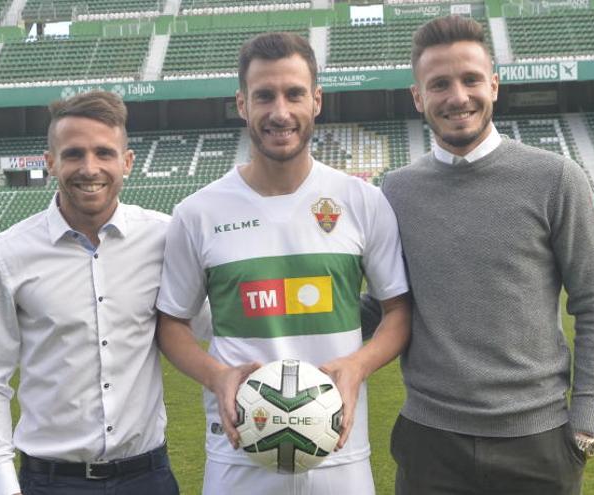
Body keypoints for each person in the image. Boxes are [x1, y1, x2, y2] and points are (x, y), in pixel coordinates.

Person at [361, 15, 594, 494]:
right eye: (439, 84)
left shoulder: (557, 179)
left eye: (471, 79)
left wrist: (584, 421)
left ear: (493, 86)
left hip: (539, 443)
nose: (458, 96)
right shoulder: (395, 191)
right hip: (429, 441)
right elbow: (381, 305)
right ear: (419, 97)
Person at [155, 32, 411, 495]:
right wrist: (217, 375)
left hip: (340, 453)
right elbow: (170, 322)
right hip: (238, 453)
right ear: (241, 103)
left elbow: (398, 311)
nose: (280, 111)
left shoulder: (362, 201)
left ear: (316, 100)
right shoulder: (198, 213)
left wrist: (357, 366)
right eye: (264, 96)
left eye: (294, 93)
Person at [0, 91, 186, 495]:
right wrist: (1, 480)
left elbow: (211, 324)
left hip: (148, 477)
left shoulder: (165, 237)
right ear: (50, 163)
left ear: (127, 162)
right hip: (51, 482)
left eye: (104, 152)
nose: (90, 168)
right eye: (73, 154)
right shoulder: (6, 254)